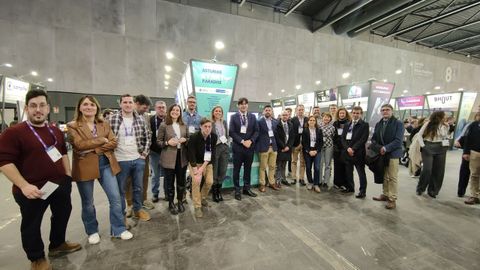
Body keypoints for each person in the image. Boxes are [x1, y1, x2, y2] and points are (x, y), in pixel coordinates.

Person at [0, 89, 81, 270]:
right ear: (27, 108)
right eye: (33, 106)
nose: (38, 109)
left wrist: (67, 175)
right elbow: (4, 162)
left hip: (58, 184)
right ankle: (36, 258)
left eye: (42, 105)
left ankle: (57, 244)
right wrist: (23, 185)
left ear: (48, 108)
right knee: (32, 224)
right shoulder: (13, 133)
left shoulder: (54, 130)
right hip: (32, 189)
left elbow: (61, 153)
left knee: (62, 214)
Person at [67, 95, 133, 244]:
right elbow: (79, 145)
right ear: (80, 107)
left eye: (92, 104)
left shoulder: (104, 123)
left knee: (116, 198)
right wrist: (102, 141)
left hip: (106, 164)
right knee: (88, 202)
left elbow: (114, 142)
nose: (89, 107)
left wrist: (94, 148)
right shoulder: (72, 126)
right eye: (85, 104)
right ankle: (92, 231)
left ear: (97, 107)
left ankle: (118, 229)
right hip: (84, 166)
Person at [109, 94, 152, 222]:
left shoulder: (140, 119)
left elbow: (148, 137)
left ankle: (137, 210)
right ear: (120, 104)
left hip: (137, 159)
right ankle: (123, 215)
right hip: (120, 160)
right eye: (125, 102)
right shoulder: (112, 119)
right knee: (121, 189)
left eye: (130, 102)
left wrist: (143, 154)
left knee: (138, 187)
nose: (128, 105)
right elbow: (106, 138)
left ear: (134, 104)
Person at [157, 104, 189, 214]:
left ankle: (180, 201)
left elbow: (189, 138)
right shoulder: (164, 125)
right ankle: (171, 203)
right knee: (169, 182)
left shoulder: (184, 125)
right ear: (170, 111)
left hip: (182, 157)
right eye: (173, 110)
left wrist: (185, 140)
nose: (175, 112)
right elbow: (158, 142)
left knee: (181, 182)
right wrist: (167, 142)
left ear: (180, 113)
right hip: (169, 157)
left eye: (178, 110)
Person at [371, 104, 404, 209]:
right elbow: (374, 139)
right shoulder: (379, 124)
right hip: (381, 154)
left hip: (393, 154)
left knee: (392, 177)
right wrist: (378, 147)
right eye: (383, 110)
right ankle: (385, 194)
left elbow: (398, 141)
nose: (385, 111)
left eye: (387, 110)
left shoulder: (398, 123)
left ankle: (392, 198)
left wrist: (385, 148)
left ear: (392, 111)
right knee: (384, 175)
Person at [229, 98, 259, 200]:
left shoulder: (253, 117)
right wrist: (242, 141)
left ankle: (246, 188)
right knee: (236, 170)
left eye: (245, 104)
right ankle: (237, 190)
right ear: (238, 105)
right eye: (241, 104)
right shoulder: (233, 117)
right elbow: (231, 132)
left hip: (249, 148)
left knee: (248, 169)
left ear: (247, 105)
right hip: (238, 148)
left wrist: (250, 141)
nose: (243, 106)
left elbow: (256, 131)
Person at [416, 111, 450, 198]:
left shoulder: (446, 125)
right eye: (444, 115)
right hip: (428, 146)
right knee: (427, 169)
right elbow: (419, 135)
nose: (446, 117)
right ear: (439, 116)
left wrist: (446, 127)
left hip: (441, 147)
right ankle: (420, 188)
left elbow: (445, 136)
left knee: (438, 171)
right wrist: (423, 146)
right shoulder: (428, 124)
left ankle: (433, 191)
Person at [187, 118, 217, 218]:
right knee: (196, 182)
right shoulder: (194, 137)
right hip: (195, 163)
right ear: (200, 127)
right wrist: (196, 170)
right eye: (205, 126)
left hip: (207, 163)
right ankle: (197, 206)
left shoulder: (213, 137)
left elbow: (211, 154)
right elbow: (191, 154)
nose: (207, 129)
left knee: (209, 182)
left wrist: (203, 167)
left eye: (209, 126)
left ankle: (202, 197)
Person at [340, 106, 369, 198]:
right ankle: (350, 187)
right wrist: (347, 148)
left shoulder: (364, 125)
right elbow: (343, 138)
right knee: (348, 172)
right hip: (347, 153)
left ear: (361, 114)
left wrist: (353, 149)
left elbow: (363, 139)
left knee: (361, 173)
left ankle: (362, 191)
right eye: (354, 113)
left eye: (358, 113)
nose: (355, 115)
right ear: (351, 113)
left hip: (358, 153)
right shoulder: (347, 124)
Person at [455, 112, 480, 197]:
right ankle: (461, 191)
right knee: (465, 172)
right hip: (471, 152)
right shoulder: (473, 125)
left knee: (475, 175)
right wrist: (466, 152)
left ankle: (475, 194)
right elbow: (465, 137)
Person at [256, 105, 280, 192]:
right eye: (266, 110)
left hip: (273, 147)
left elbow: (277, 135)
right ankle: (262, 184)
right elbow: (256, 134)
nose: (268, 111)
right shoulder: (259, 121)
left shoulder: (275, 122)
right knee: (262, 167)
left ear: (272, 112)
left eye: (269, 110)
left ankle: (272, 183)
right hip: (263, 147)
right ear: (263, 112)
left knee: (272, 166)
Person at [149, 100, 167, 202]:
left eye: (163, 107)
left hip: (166, 152)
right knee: (155, 175)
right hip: (154, 152)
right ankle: (155, 194)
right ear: (155, 108)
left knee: (166, 175)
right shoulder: (150, 120)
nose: (161, 109)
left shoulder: (169, 121)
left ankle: (167, 194)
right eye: (159, 107)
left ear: (166, 108)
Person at [211, 106, 228, 202]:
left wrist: (227, 143)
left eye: (220, 111)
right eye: (216, 111)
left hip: (224, 147)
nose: (218, 112)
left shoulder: (224, 123)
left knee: (223, 170)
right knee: (215, 170)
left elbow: (227, 135)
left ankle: (219, 191)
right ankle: (214, 193)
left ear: (222, 113)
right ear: (213, 113)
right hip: (215, 148)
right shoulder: (211, 124)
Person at [302, 116, 324, 192]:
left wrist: (316, 151)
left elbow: (321, 142)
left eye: (313, 120)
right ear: (308, 122)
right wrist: (309, 151)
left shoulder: (319, 130)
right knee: (308, 167)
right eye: (310, 120)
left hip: (317, 151)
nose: (312, 121)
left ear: (315, 122)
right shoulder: (305, 131)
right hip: (308, 151)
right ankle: (310, 182)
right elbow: (304, 143)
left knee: (317, 168)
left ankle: (316, 184)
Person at [463, 113, 480, 205]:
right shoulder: (474, 124)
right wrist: (466, 152)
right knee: (474, 175)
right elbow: (468, 139)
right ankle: (474, 195)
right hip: (475, 153)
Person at [332, 108, 351, 190]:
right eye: (340, 113)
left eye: (343, 113)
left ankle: (344, 183)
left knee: (344, 166)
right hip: (336, 147)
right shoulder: (335, 124)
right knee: (337, 166)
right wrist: (335, 146)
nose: (342, 115)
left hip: (345, 148)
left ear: (346, 114)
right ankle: (337, 183)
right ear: (338, 114)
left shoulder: (349, 123)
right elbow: (333, 135)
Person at [275, 110, 294, 188]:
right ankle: (278, 181)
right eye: (283, 115)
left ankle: (284, 179)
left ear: (288, 116)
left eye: (286, 115)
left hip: (287, 148)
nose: (285, 116)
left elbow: (292, 137)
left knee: (284, 165)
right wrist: (283, 147)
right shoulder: (277, 125)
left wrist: (288, 146)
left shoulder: (290, 124)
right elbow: (277, 138)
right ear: (280, 116)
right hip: (280, 148)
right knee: (278, 165)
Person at [290, 105, 308, 186]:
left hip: (304, 143)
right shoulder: (292, 120)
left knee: (303, 162)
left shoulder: (307, 119)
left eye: (302, 110)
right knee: (294, 161)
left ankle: (301, 178)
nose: (301, 111)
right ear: (296, 111)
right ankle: (293, 178)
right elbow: (291, 132)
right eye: (299, 110)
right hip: (295, 144)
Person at [318, 112, 336, 189]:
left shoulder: (332, 127)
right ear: (322, 118)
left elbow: (331, 135)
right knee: (320, 164)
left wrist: (322, 134)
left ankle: (326, 181)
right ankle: (319, 181)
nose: (326, 118)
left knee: (328, 164)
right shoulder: (319, 126)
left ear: (330, 119)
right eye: (325, 117)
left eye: (328, 117)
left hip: (329, 146)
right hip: (320, 147)